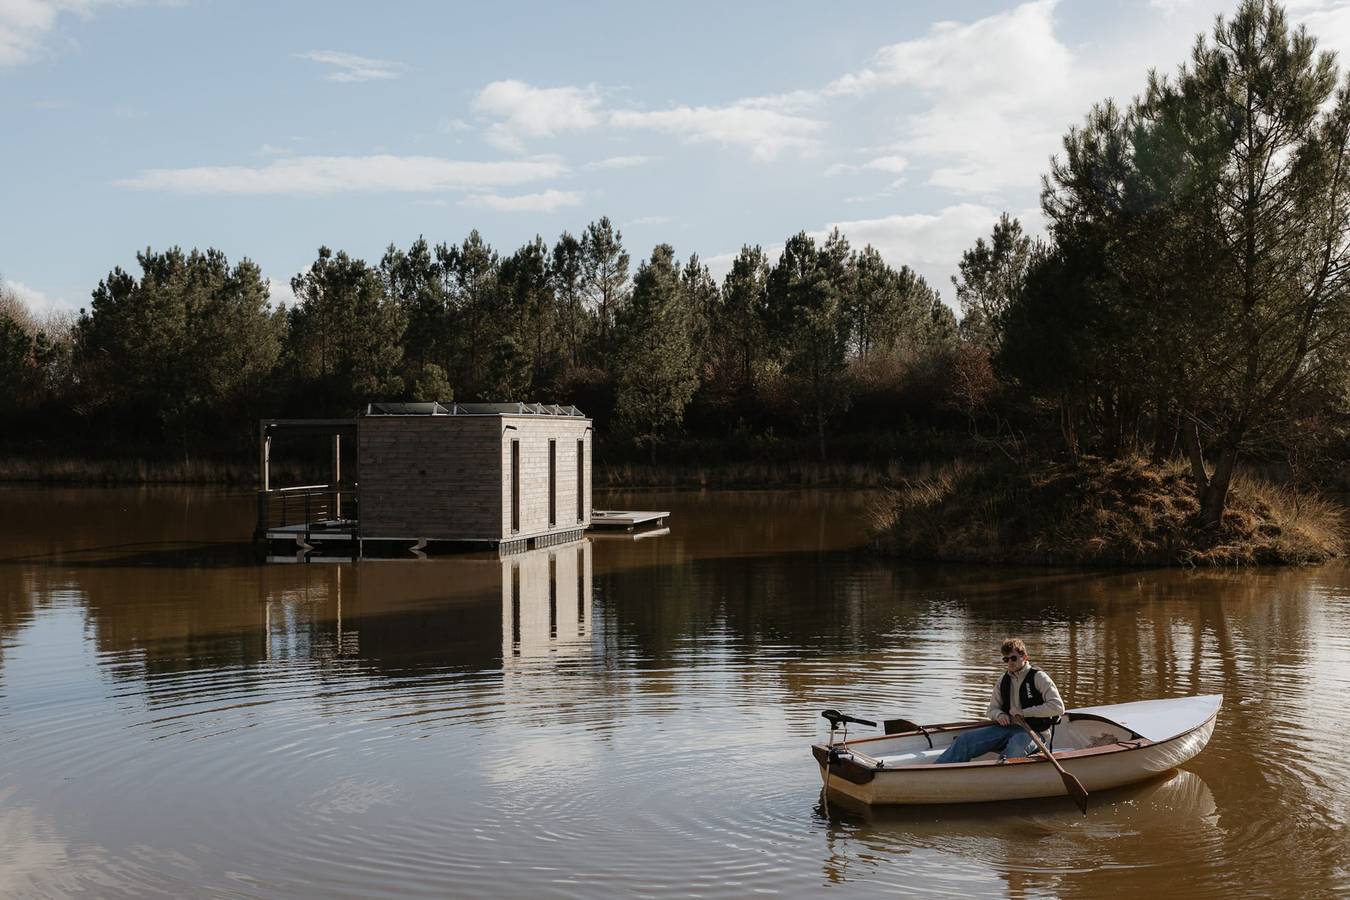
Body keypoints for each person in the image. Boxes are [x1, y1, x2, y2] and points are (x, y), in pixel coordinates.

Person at [935, 638, 1065, 764]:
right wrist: (999, 715)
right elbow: (991, 709)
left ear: (1025, 657)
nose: (1010, 662)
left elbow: (1058, 707)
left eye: (1013, 658)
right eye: (1006, 659)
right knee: (965, 740)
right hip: (1007, 729)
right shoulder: (1003, 680)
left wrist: (1024, 712)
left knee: (1016, 746)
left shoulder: (1038, 677)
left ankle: (999, 775)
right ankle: (935, 772)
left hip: (1035, 733)